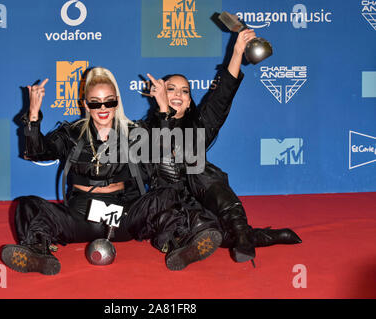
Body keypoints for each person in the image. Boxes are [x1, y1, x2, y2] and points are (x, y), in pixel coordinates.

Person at [1, 67, 222, 275]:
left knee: (167, 196)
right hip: (81, 216)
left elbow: (163, 149)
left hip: (123, 217)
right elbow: (38, 152)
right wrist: (33, 116)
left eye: (109, 101)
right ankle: (38, 252)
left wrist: (164, 109)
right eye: (95, 103)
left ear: (117, 103)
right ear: (86, 105)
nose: (103, 108)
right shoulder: (70, 134)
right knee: (26, 205)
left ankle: (178, 244)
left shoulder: (133, 133)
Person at [128, 29, 302, 270]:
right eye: (171, 89)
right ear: (158, 94)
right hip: (163, 204)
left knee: (199, 169)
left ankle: (242, 234)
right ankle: (211, 240)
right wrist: (162, 112)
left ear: (189, 101)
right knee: (198, 223)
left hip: (196, 199)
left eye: (185, 91)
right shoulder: (143, 129)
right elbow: (159, 151)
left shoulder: (198, 127)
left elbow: (221, 96)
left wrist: (238, 51)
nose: (179, 94)